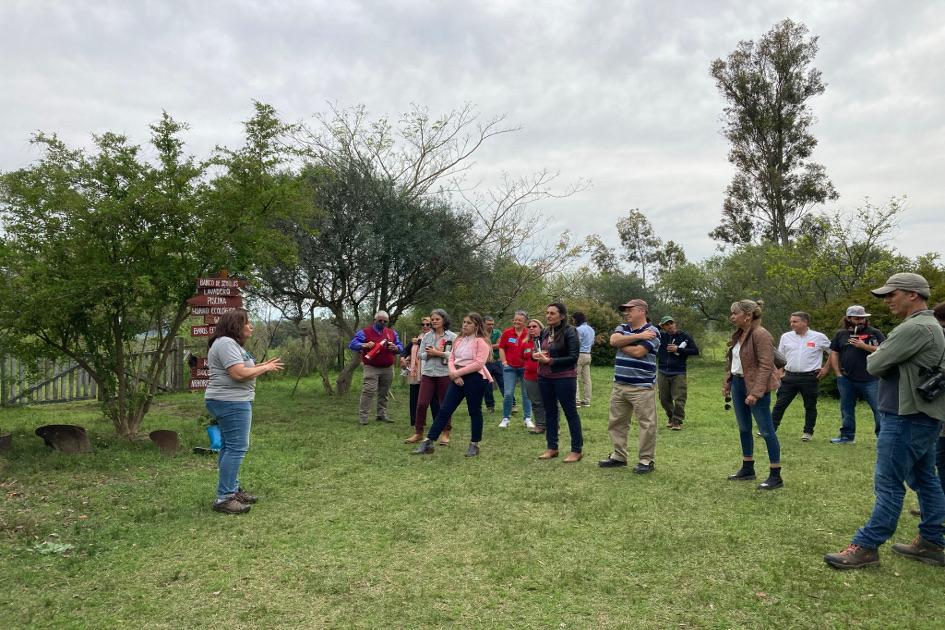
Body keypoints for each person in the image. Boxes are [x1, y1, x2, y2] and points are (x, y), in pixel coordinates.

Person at [825, 273, 945, 569]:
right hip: (924, 414)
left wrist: (885, 356)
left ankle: (866, 546)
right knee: (925, 479)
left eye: (893, 294)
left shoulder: (914, 327)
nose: (888, 300)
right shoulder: (931, 326)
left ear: (914, 295)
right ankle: (932, 541)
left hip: (905, 415)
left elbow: (875, 363)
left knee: (889, 483)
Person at [205, 309, 284, 514]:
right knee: (237, 448)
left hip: (230, 400)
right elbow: (239, 373)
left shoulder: (229, 344)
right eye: (247, 323)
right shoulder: (226, 343)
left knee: (229, 447)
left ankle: (232, 490)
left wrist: (262, 365)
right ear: (235, 325)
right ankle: (225, 497)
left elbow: (243, 369)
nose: (251, 326)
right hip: (230, 401)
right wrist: (264, 368)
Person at [411, 313, 494, 457]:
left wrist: (457, 373)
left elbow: (479, 363)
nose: (465, 325)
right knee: (445, 409)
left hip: (475, 378)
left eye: (469, 323)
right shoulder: (459, 340)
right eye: (464, 322)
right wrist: (454, 373)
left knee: (474, 411)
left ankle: (474, 444)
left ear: (476, 325)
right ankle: (428, 441)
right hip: (457, 376)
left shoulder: (481, 342)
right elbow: (451, 358)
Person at [724, 299, 783, 490]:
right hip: (738, 384)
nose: (732, 316)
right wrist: (728, 382)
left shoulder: (761, 334)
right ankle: (747, 468)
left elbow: (766, 365)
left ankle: (776, 475)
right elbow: (734, 361)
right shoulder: (739, 334)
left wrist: (756, 393)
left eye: (735, 313)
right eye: (731, 313)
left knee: (766, 430)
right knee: (743, 428)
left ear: (747, 316)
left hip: (756, 387)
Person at [598, 299, 660, 473]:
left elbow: (640, 352)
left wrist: (622, 344)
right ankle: (619, 456)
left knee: (647, 424)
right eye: (624, 310)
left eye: (629, 310)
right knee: (617, 422)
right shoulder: (623, 327)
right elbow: (613, 340)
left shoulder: (654, 331)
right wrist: (638, 337)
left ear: (641, 311)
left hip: (642, 387)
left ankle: (646, 461)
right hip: (620, 385)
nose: (626, 313)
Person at [829, 306, 885, 444]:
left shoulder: (874, 333)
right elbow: (834, 353)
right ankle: (847, 437)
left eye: (863, 318)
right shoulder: (841, 334)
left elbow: (885, 351)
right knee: (846, 409)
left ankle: (883, 438)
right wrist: (837, 373)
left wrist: (864, 346)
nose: (861, 320)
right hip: (846, 379)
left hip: (871, 378)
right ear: (848, 319)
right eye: (857, 318)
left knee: (878, 409)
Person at [771, 311, 831, 441]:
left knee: (810, 405)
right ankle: (770, 429)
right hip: (789, 377)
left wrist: (826, 368)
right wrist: (779, 373)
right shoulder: (786, 337)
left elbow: (834, 352)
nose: (792, 324)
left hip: (810, 377)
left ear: (805, 322)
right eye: (791, 321)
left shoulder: (819, 337)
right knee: (780, 404)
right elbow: (779, 357)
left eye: (795, 321)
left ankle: (808, 433)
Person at [536, 302, 584, 463]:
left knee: (570, 412)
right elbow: (542, 352)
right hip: (544, 377)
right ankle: (552, 448)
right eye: (547, 312)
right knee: (550, 412)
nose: (548, 315)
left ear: (562, 316)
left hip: (564, 377)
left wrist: (550, 361)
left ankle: (576, 450)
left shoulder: (570, 331)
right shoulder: (544, 331)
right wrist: (536, 356)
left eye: (552, 313)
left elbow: (573, 357)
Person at [405, 309, 456, 444]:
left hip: (444, 374)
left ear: (444, 320)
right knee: (421, 404)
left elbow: (455, 356)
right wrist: (430, 354)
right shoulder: (426, 336)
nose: (433, 322)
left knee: (444, 405)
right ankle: (418, 433)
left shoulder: (452, 337)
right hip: (428, 374)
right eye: (432, 319)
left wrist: (439, 353)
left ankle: (445, 433)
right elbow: (420, 355)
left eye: (436, 319)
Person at [348, 310, 404, 425]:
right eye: (380, 320)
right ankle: (363, 417)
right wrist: (364, 344)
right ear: (374, 320)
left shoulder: (392, 333)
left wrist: (396, 347)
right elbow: (352, 344)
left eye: (385, 321)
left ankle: (381, 415)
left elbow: (400, 346)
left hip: (388, 368)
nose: (382, 322)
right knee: (369, 390)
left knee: (384, 392)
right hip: (371, 367)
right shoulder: (365, 332)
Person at [656, 315, 700, 431]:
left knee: (679, 398)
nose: (670, 326)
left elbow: (695, 351)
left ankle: (677, 421)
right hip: (662, 371)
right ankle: (671, 417)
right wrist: (658, 327)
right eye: (667, 324)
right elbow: (648, 332)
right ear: (663, 326)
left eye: (671, 323)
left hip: (678, 372)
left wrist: (678, 349)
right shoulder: (660, 336)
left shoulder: (684, 336)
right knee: (664, 399)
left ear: (675, 323)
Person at [401, 317, 439, 430]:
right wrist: (403, 358)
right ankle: (415, 422)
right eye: (423, 325)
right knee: (415, 398)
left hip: (430, 372)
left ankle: (438, 422)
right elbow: (405, 349)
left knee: (433, 398)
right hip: (415, 372)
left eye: (428, 324)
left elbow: (432, 349)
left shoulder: (435, 337)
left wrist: (418, 342)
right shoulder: (417, 338)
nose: (425, 327)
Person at [498, 310, 534, 429]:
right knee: (508, 394)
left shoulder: (529, 334)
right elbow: (501, 348)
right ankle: (505, 418)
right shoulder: (507, 333)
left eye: (520, 320)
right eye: (515, 319)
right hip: (510, 368)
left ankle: (527, 419)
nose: (517, 321)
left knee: (526, 394)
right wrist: (504, 362)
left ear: (525, 322)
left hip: (525, 368)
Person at [523, 318, 547, 434]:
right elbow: (521, 357)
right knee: (536, 402)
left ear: (541, 328)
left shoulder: (547, 341)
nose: (531, 328)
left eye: (534, 326)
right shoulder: (525, 342)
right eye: (529, 327)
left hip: (547, 376)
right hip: (530, 377)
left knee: (551, 402)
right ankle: (540, 425)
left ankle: (555, 426)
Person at [482, 316, 506, 413]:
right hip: (485, 363)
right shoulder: (479, 334)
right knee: (487, 387)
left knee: (504, 383)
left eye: (492, 324)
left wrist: (486, 346)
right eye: (488, 324)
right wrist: (493, 346)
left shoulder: (498, 332)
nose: (491, 326)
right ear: (483, 324)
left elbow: (500, 345)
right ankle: (490, 406)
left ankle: (512, 404)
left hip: (497, 362)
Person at [573, 312, 595, 407]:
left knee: (575, 378)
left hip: (579, 355)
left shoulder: (578, 329)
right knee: (587, 379)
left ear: (577, 319)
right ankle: (586, 400)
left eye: (573, 319)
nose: (573, 321)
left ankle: (576, 401)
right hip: (588, 355)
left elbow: (576, 343)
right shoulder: (591, 329)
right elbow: (592, 342)